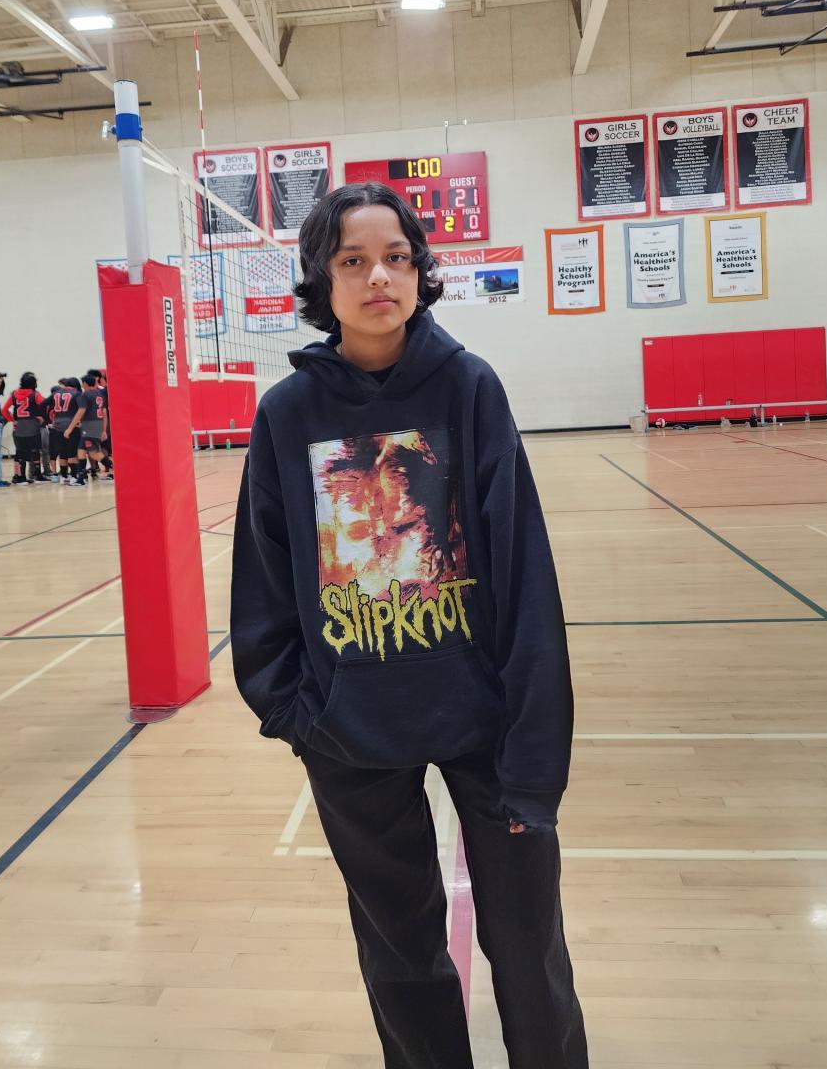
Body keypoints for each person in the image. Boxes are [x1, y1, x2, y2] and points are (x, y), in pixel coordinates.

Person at [230, 183, 588, 1069]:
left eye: (395, 257)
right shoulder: (286, 413)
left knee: (530, 948)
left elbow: (524, 570)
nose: (378, 278)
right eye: (353, 261)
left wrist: (534, 751)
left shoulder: (469, 387)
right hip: (352, 735)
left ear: (421, 271)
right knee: (400, 956)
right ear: (322, 278)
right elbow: (263, 575)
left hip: (485, 724)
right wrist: (298, 714)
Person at [65, 374, 112, 484]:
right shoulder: (99, 394)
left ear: (85, 384)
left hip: (89, 428)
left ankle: (115, 468)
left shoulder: (86, 394)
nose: (82, 385)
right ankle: (80, 480)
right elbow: (104, 413)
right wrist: (103, 429)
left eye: (83, 383)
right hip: (95, 425)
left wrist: (70, 428)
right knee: (81, 452)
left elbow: (81, 411)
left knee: (94, 453)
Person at [2, 372, 48, 484]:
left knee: (20, 452)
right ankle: (37, 475)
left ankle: (21, 478)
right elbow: (46, 405)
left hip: (19, 428)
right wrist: (41, 417)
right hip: (33, 426)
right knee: (35, 451)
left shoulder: (14, 394)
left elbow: (4, 410)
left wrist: (13, 420)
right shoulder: (35, 394)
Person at [46, 380, 81, 482]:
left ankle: (63, 475)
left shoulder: (54, 399)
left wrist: (45, 422)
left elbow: (42, 406)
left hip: (56, 428)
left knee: (61, 453)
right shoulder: (76, 395)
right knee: (72, 453)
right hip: (70, 426)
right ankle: (74, 476)